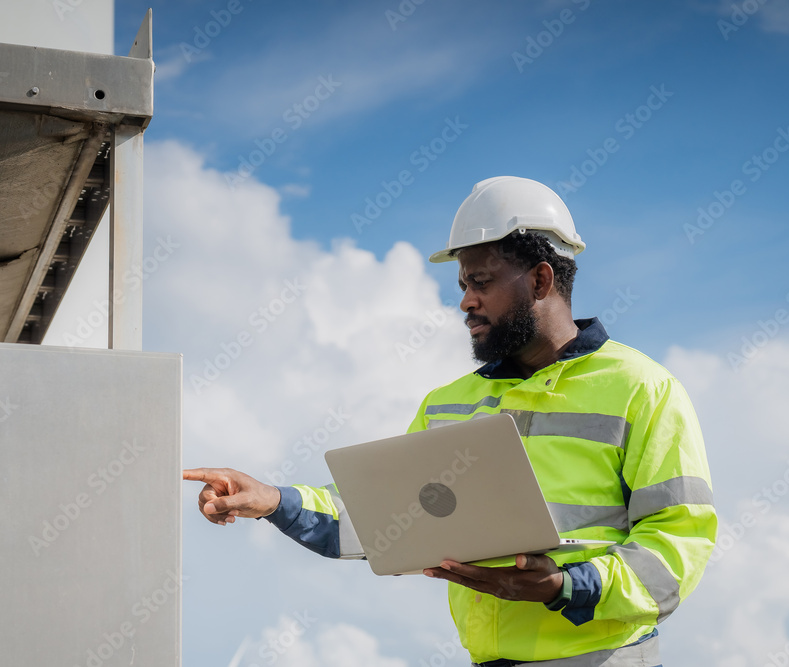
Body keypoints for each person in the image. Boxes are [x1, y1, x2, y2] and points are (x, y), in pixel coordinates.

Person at [184, 176, 717, 666]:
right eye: (463, 283)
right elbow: (385, 516)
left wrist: (565, 586)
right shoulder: (447, 404)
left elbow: (680, 542)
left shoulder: (641, 388)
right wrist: (274, 500)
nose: (466, 300)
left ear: (539, 279)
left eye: (481, 281)